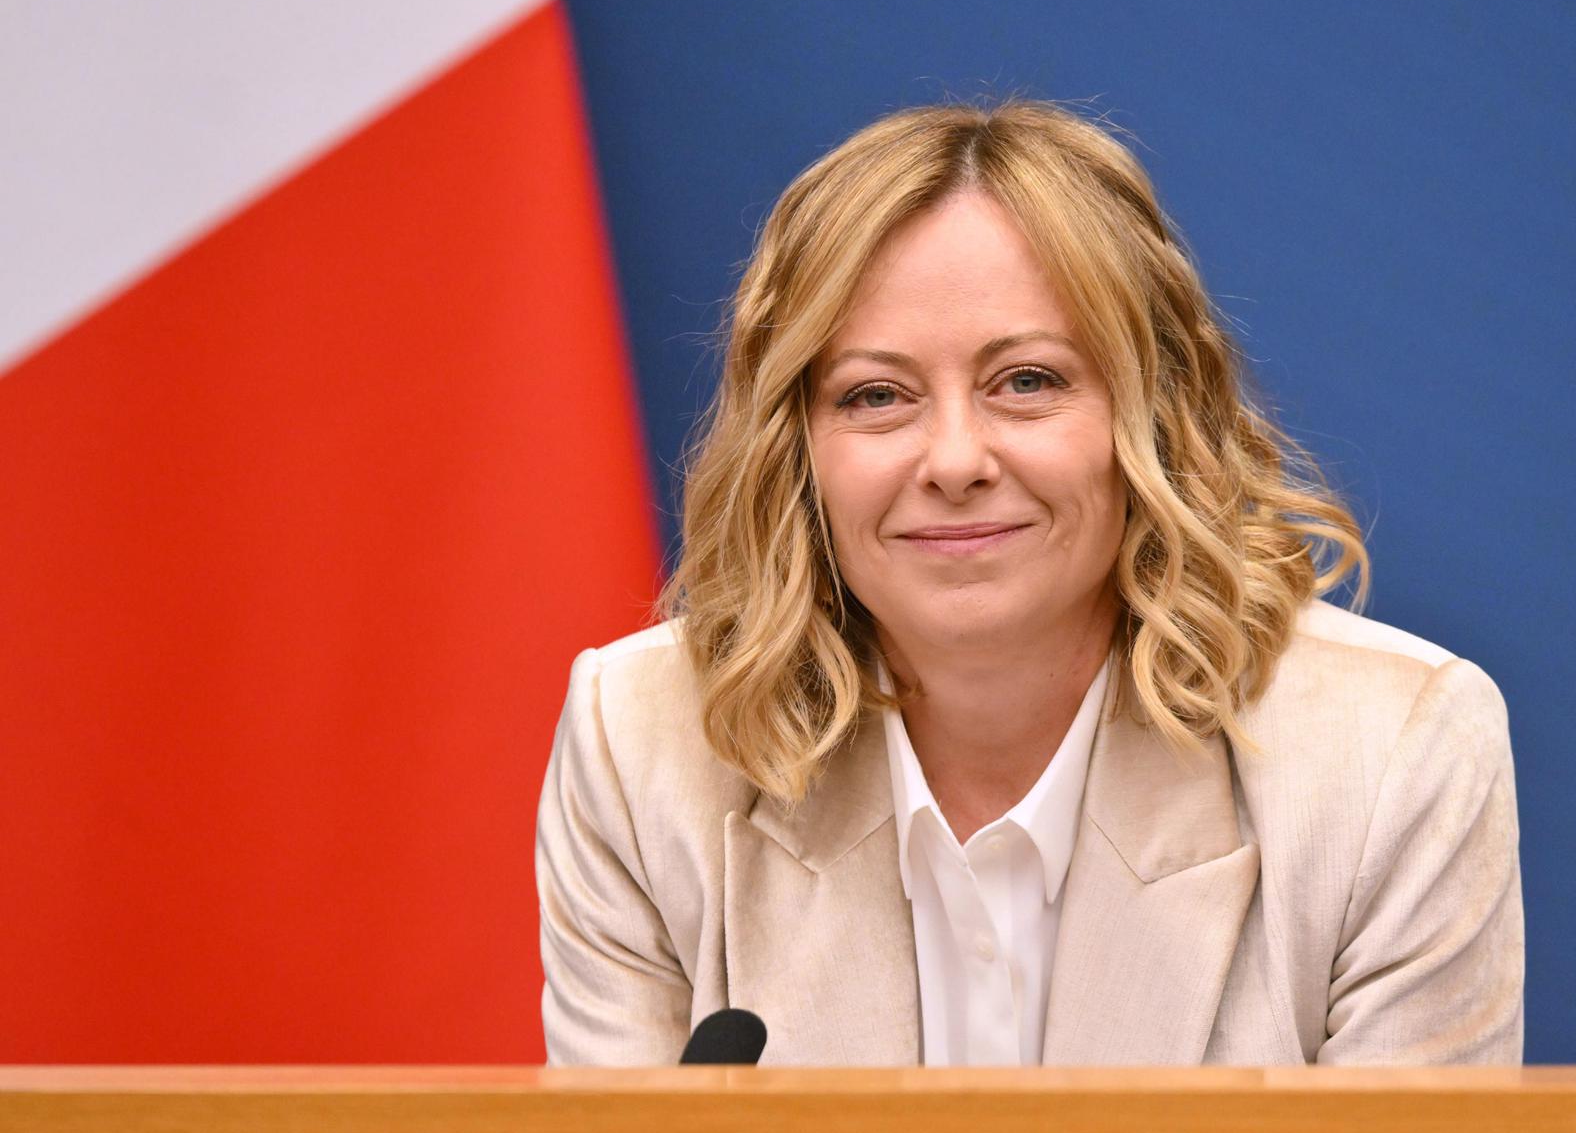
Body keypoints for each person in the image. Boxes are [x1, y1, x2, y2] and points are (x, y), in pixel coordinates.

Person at [536, 98, 1523, 1067]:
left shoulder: (1391, 757)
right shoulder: (644, 745)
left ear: (1153, 416)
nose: (956, 459)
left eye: (1029, 381)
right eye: (876, 395)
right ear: (796, 449)